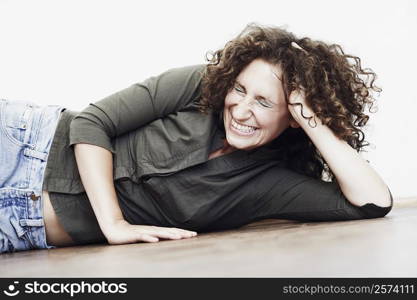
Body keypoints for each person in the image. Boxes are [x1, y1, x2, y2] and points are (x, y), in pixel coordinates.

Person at [0, 23, 393, 253]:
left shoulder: (270, 185)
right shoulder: (202, 86)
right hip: (26, 142)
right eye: (239, 90)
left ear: (290, 115)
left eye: (263, 102)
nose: (240, 110)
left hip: (22, 224)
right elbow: (91, 123)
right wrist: (115, 223)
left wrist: (309, 117)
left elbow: (372, 203)